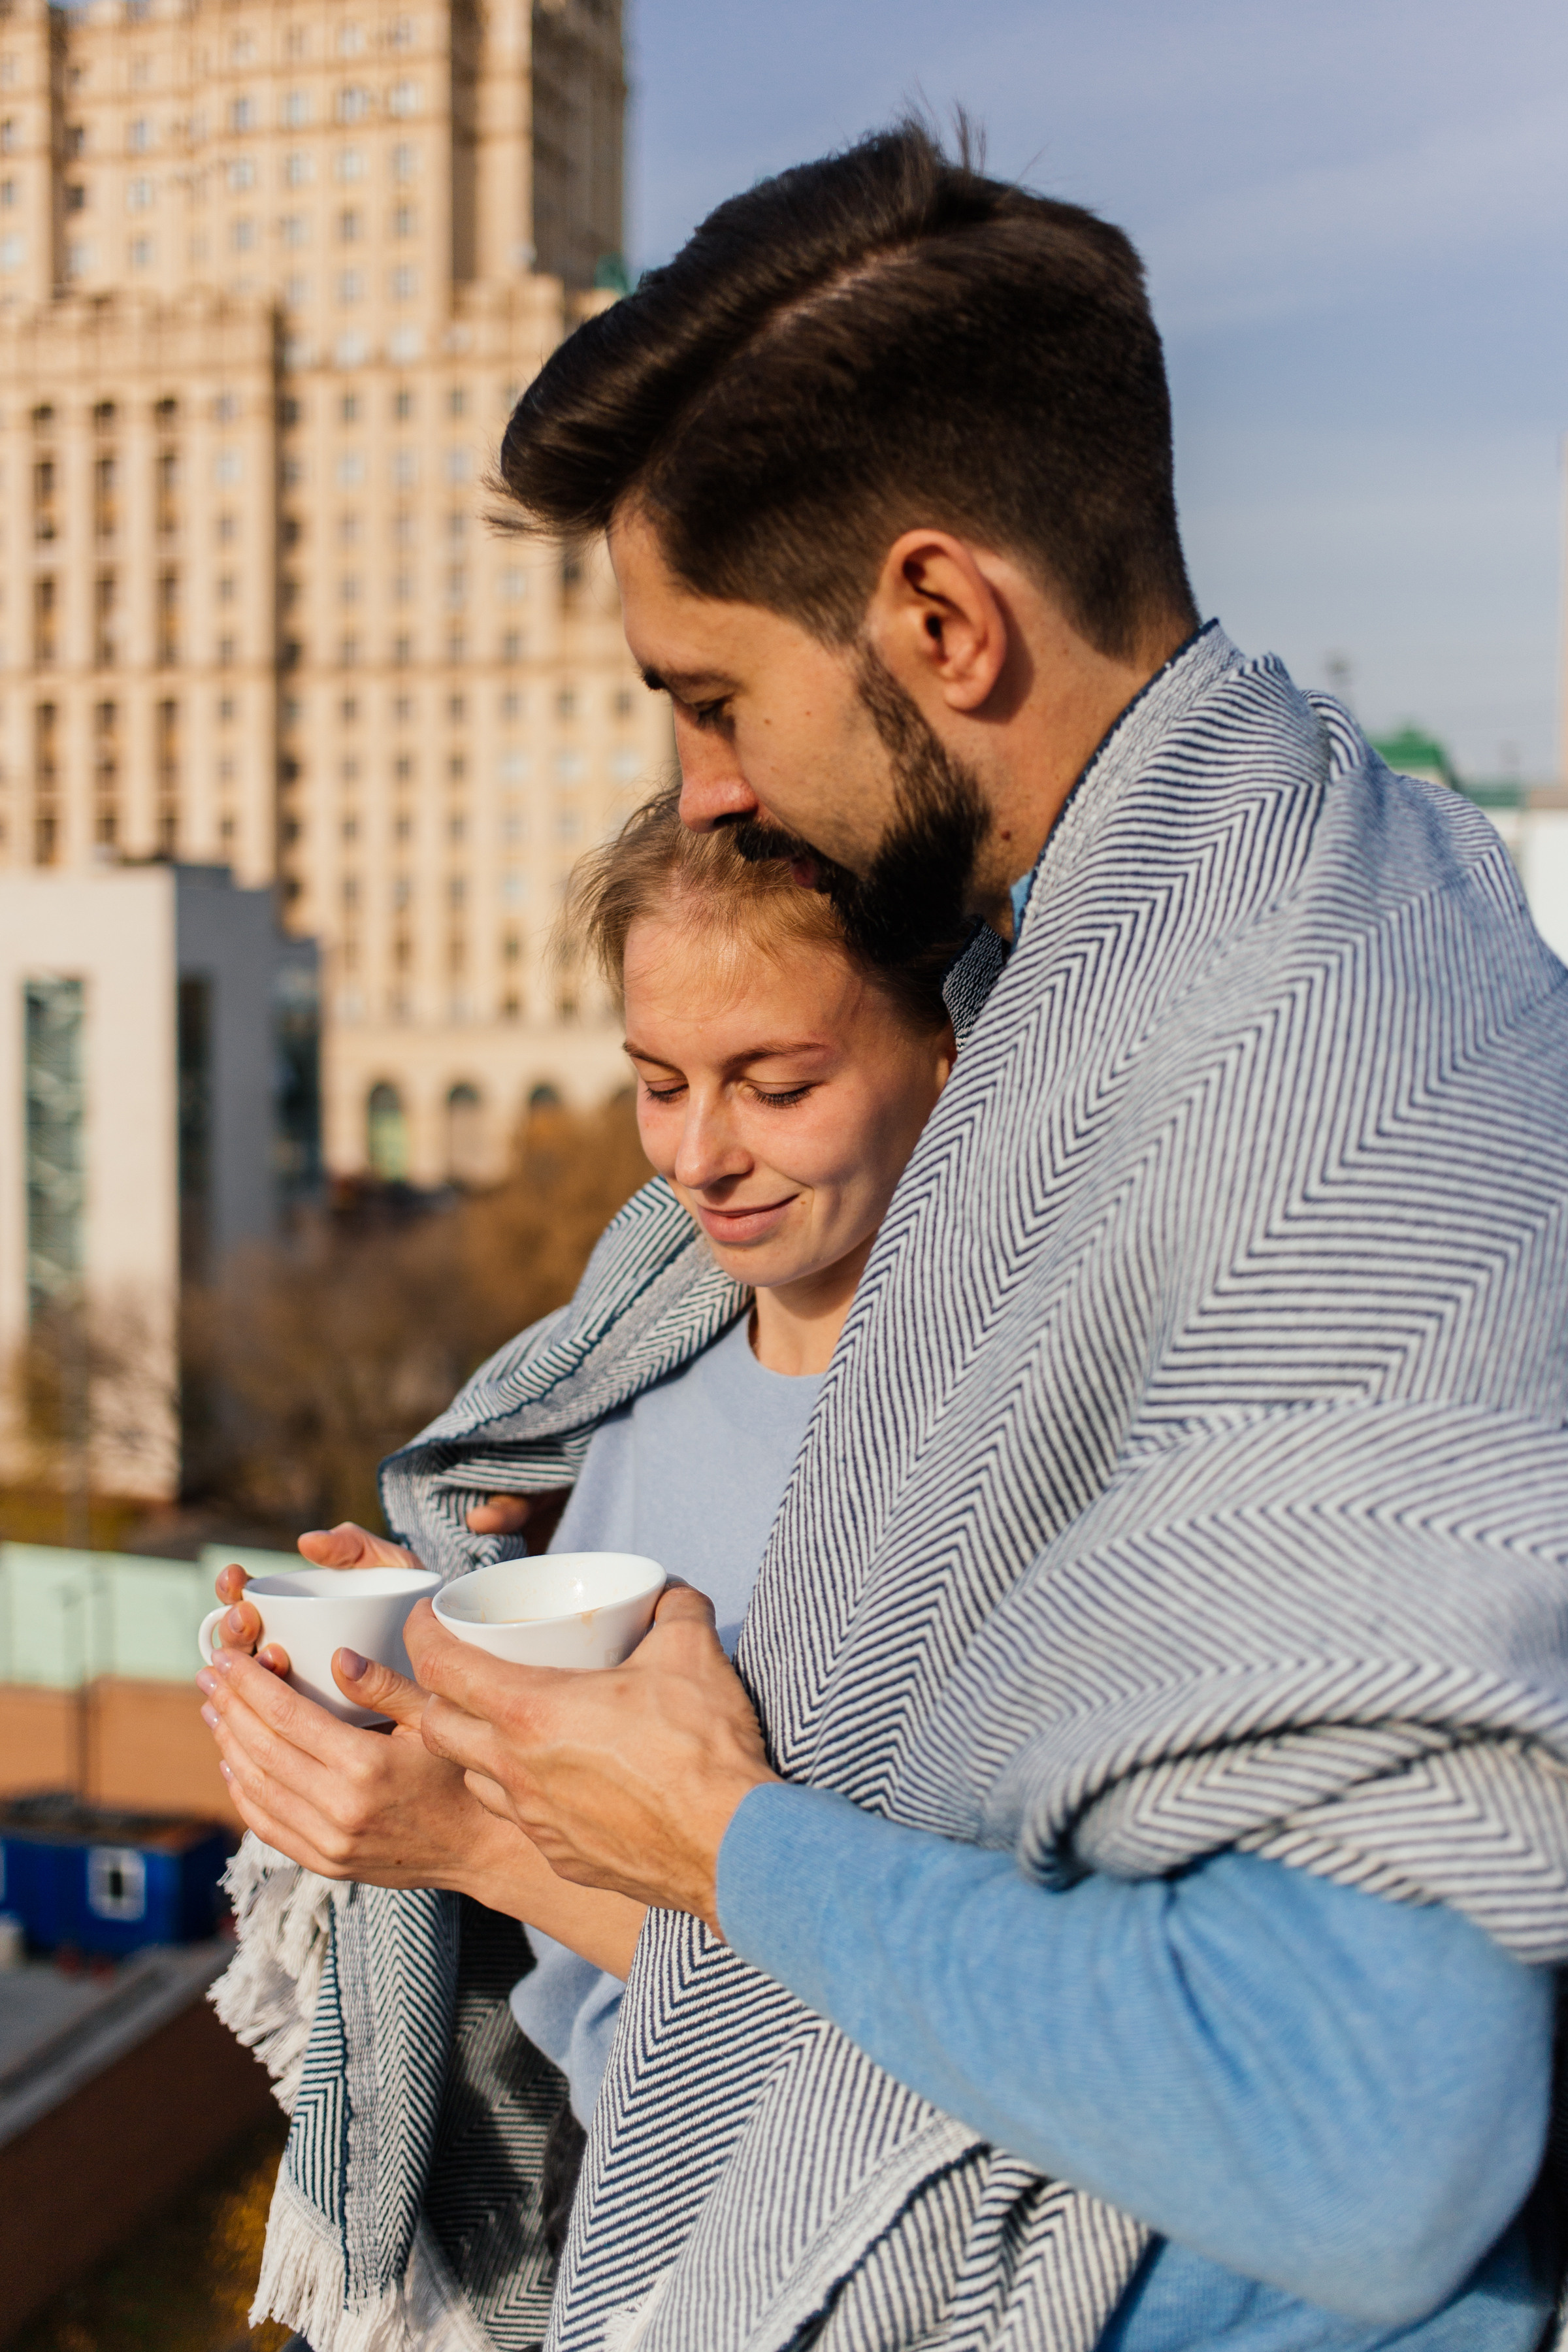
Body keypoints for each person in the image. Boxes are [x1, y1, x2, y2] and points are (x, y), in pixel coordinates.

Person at [372, 119, 1568, 2352]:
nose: (709, 792)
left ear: (940, 619)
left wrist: (724, 1833)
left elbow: (1366, 2142)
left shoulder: (1323, 1095)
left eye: (711, 700)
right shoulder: (1229, 927)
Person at [198, 790, 955, 2348]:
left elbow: (914, 2017)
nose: (699, 1154)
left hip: (831, 2263)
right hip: (604, 2227)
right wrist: (404, 1662)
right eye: (659, 1082)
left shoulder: (971, 1451)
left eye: (778, 1083)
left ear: (951, 1049)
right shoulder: (624, 1380)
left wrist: (460, 1846)